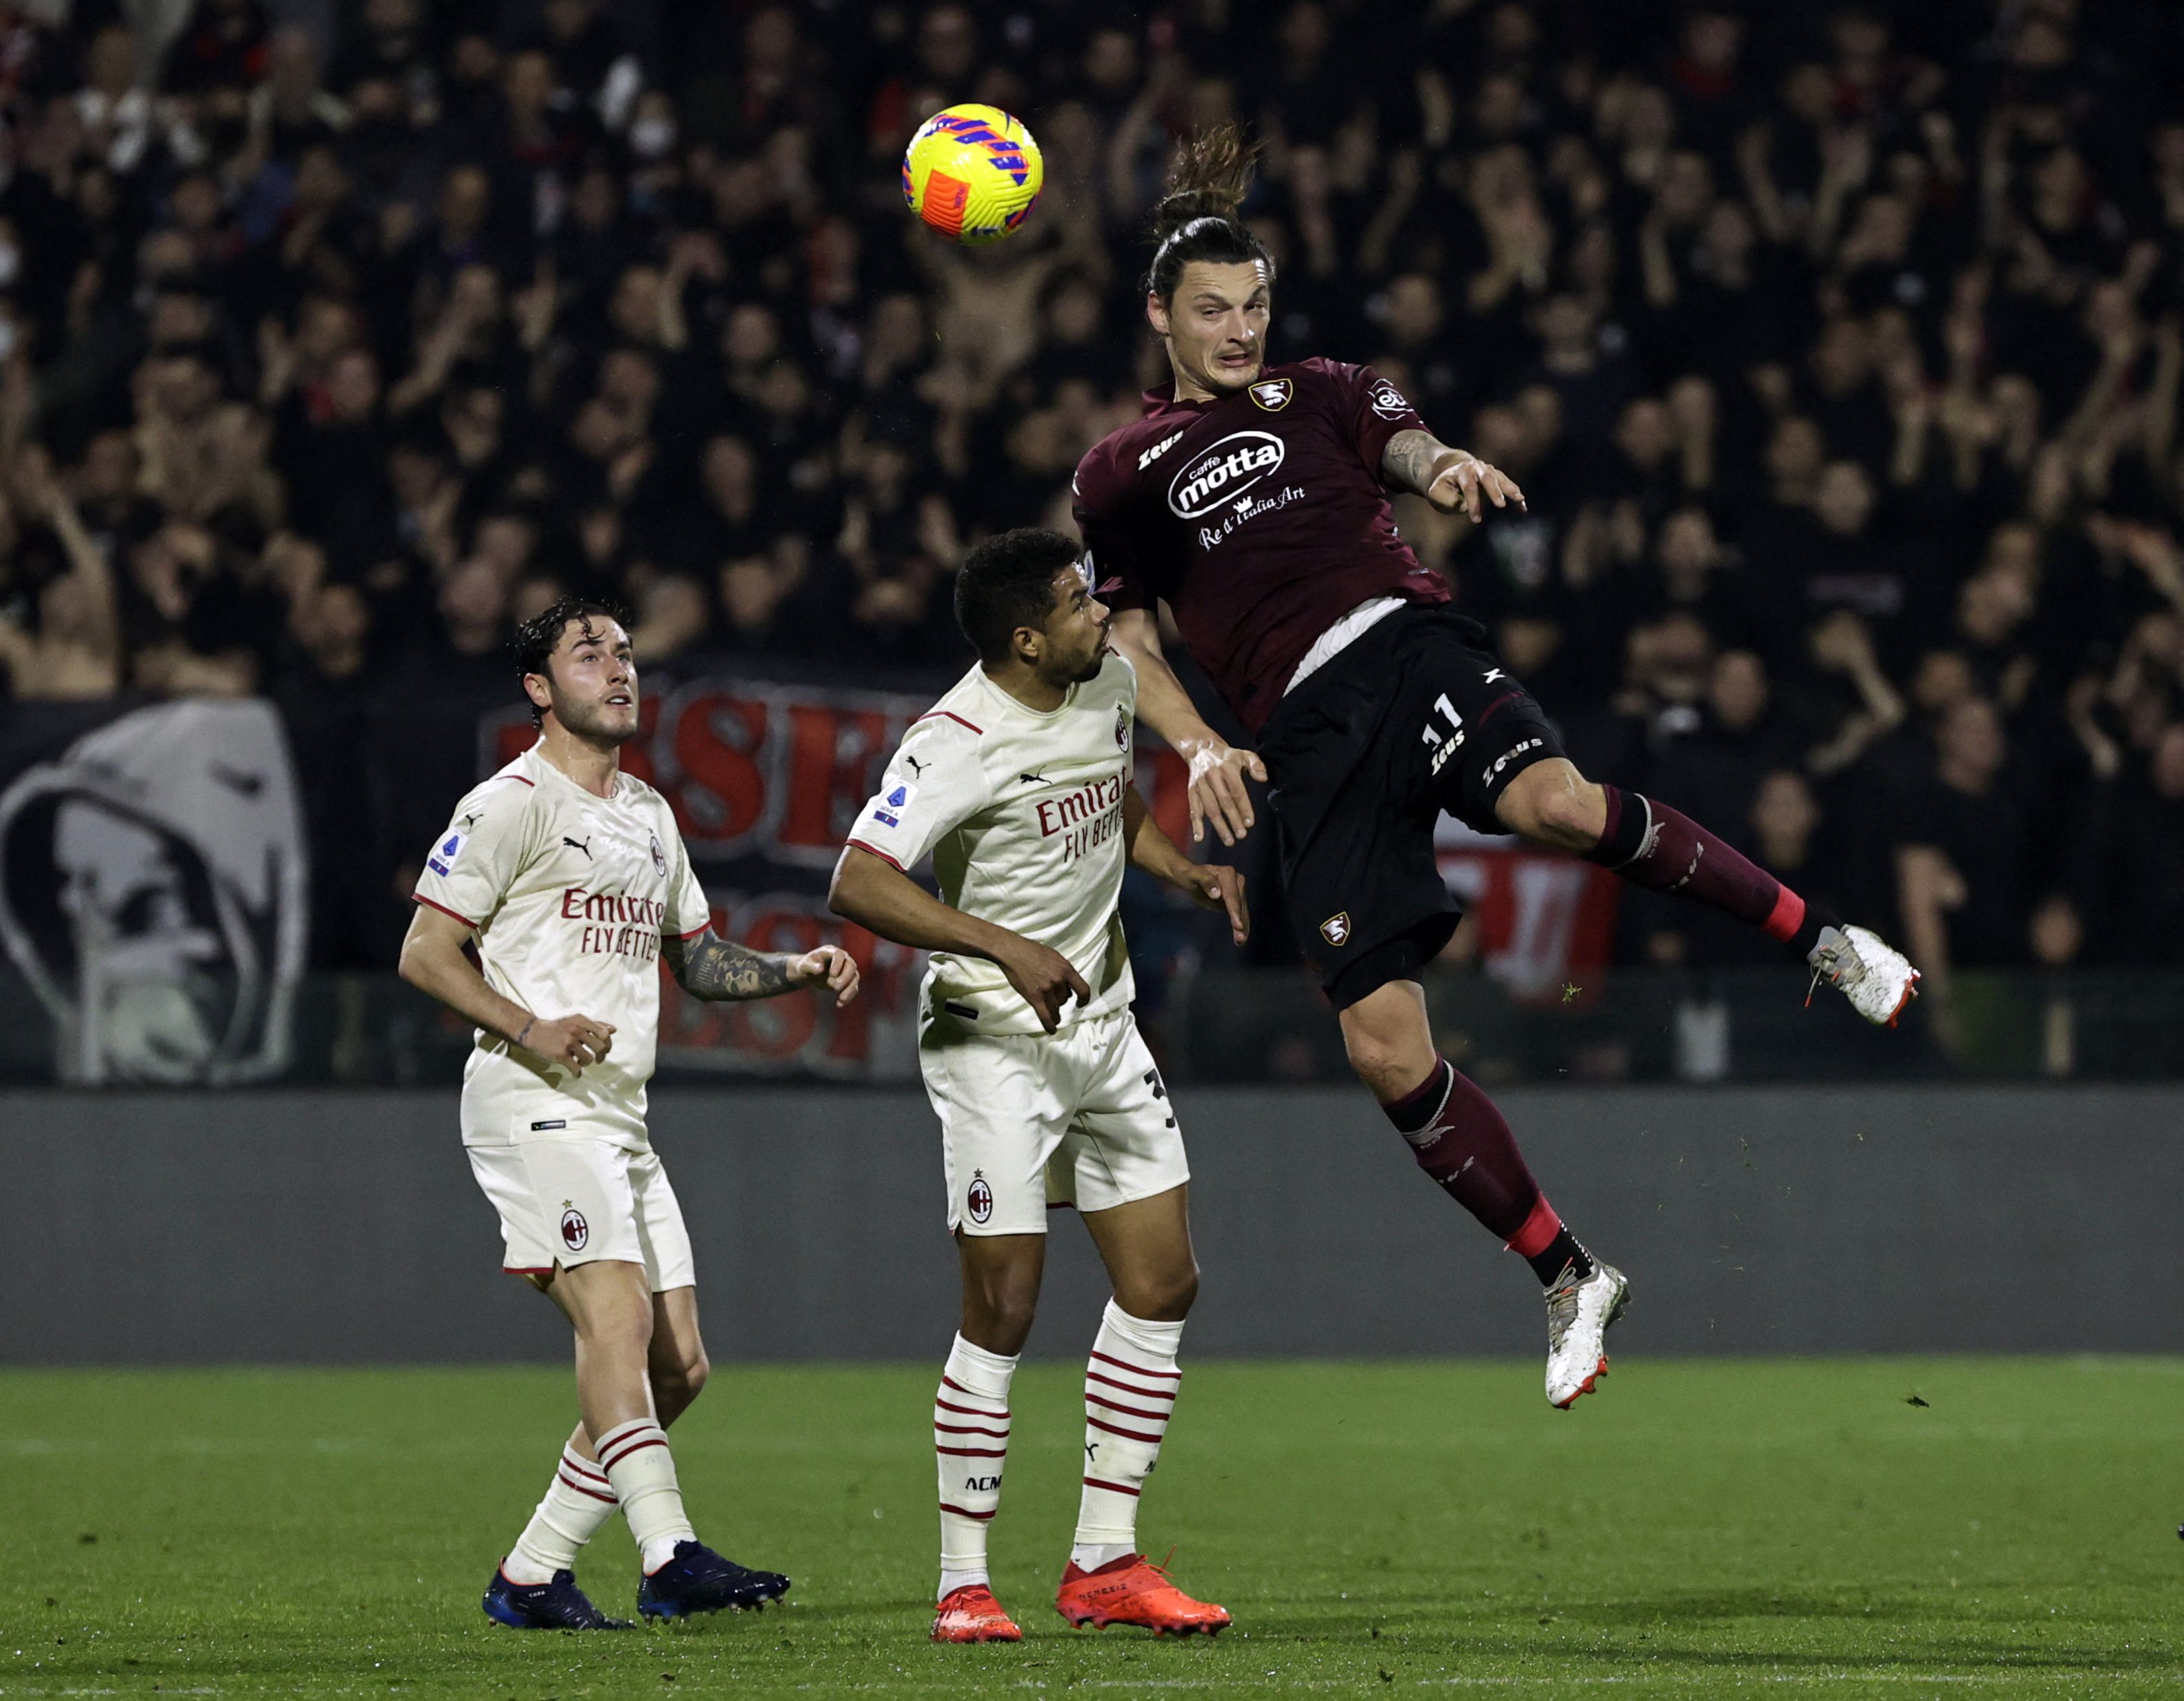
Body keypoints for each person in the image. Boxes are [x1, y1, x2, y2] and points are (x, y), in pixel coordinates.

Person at [1072, 128, 1921, 1409]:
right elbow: (1128, 637)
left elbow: (1408, 448)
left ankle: (1824, 940)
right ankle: (1571, 1273)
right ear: (1160, 316)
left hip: (1402, 644)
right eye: (1212, 311)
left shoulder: (1332, 388)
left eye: (1254, 306)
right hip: (1301, 731)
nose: (1240, 331)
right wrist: (1197, 742)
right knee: (1381, 1043)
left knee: (1556, 802)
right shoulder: (1120, 471)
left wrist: (1446, 463)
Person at [399, 597, 861, 1629]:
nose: (619, 668)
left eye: (625, 652)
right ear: (538, 687)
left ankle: (531, 1572)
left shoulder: (648, 814)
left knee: (677, 1365)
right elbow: (424, 951)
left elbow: (696, 959)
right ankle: (668, 1554)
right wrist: (529, 1025)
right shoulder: (508, 802)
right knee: (618, 1318)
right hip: (533, 1100)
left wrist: (793, 966)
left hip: (618, 1115)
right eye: (589, 651)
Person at [828, 528, 1247, 1643]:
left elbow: (1110, 802)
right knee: (1005, 1306)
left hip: (1102, 1024)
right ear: (1025, 637)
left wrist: (1183, 871)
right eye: (1075, 602)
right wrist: (997, 943)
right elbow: (856, 881)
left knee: (1164, 1281)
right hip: (993, 1040)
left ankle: (1104, 1558)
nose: (1100, 612)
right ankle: (963, 1579)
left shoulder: (1105, 679)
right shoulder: (952, 739)